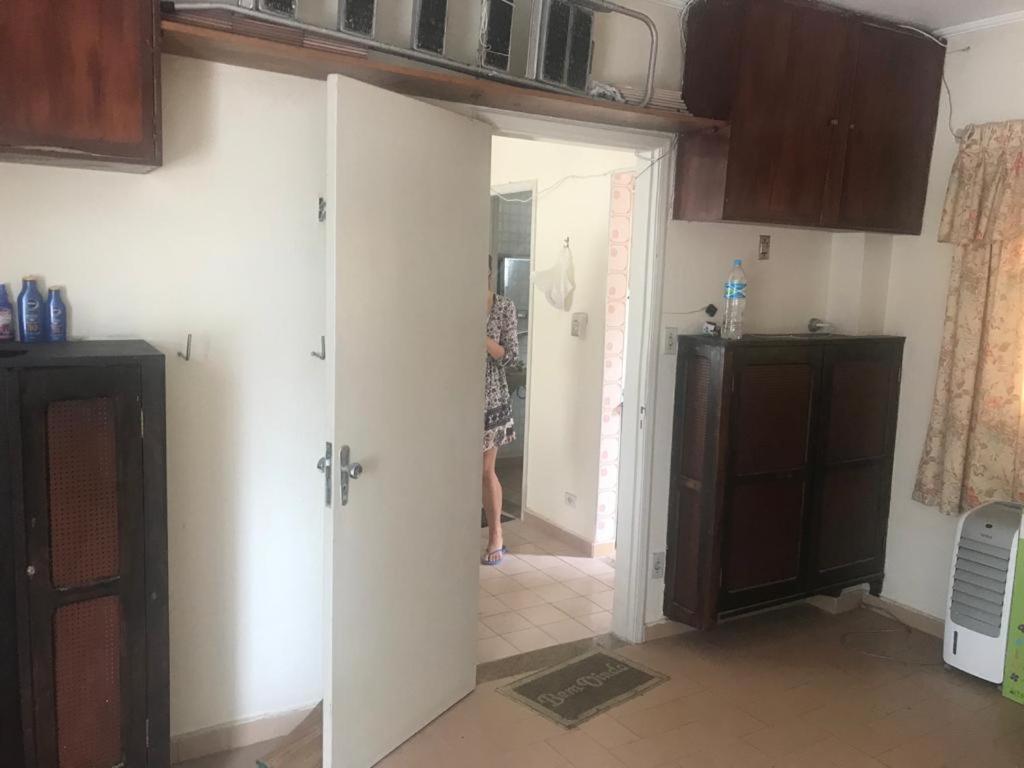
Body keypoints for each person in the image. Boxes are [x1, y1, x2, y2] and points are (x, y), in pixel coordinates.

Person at [482, 262, 519, 565]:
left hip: (491, 399)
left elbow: (512, 358)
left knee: (485, 471)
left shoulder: (504, 306)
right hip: (453, 396)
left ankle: (496, 535)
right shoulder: (452, 300)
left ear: (489, 272)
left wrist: (481, 339)